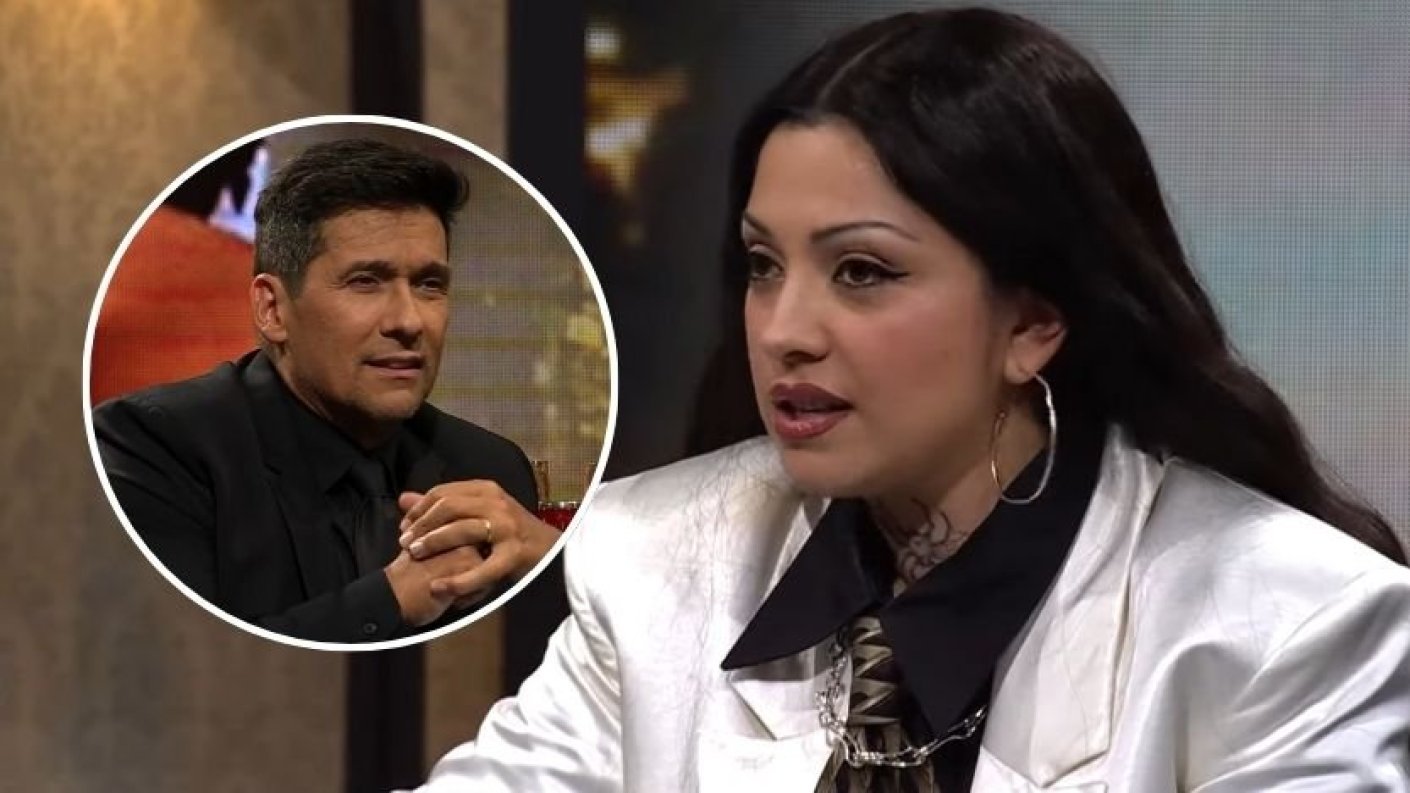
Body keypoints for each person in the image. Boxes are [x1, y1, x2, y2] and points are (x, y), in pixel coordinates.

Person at [406, 8, 1410, 791]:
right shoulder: (653, 561)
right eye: (763, 264)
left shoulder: (1291, 627)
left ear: (1033, 322)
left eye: (862, 272)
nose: (783, 329)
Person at [94, 138, 560, 644]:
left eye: (429, 284)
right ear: (272, 310)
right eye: (365, 282)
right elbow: (195, 665)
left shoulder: (491, 467)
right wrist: (390, 600)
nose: (409, 321)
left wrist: (556, 559)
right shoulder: (154, 447)